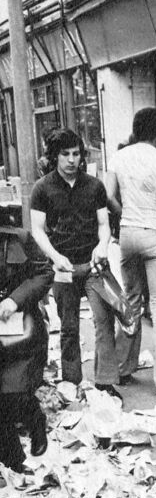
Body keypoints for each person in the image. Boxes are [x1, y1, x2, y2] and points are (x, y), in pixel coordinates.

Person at [30, 128, 121, 397]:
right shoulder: (42, 188)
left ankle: (105, 382)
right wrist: (56, 257)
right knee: (68, 326)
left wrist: (102, 245)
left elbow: (104, 224)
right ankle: (72, 380)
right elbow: (37, 229)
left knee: (104, 320)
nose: (72, 160)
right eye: (65, 154)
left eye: (76, 154)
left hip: (93, 264)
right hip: (62, 267)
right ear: (55, 156)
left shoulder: (94, 186)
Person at [105, 108, 156, 399]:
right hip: (155, 236)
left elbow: (108, 194)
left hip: (127, 234)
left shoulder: (118, 157)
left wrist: (125, 214)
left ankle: (123, 368)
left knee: (131, 302)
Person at [0, 202, 52, 471]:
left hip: (22, 333)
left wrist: (14, 300)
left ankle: (34, 418)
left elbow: (44, 273)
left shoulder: (19, 239)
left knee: (15, 394)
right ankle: (13, 462)